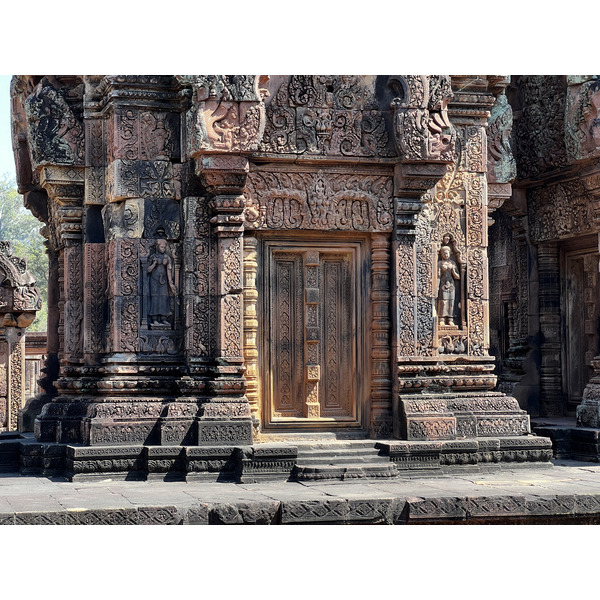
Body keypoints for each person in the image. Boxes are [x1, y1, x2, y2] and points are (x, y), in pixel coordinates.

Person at [147, 239, 176, 326]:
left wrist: (171, 283)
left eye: (164, 247)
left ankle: (163, 318)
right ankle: (154, 318)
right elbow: (147, 270)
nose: (163, 249)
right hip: (154, 281)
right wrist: (154, 264)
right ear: (158, 247)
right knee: (155, 298)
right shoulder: (153, 257)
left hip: (164, 281)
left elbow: (169, 271)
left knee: (164, 298)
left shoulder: (167, 257)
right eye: (161, 247)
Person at [438, 245, 460, 326]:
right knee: (443, 301)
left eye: (447, 253)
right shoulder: (440, 263)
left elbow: (458, 277)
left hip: (451, 285)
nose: (445, 255)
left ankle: (450, 318)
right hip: (443, 284)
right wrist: (441, 270)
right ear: (442, 254)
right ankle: (442, 318)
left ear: (450, 254)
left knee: (451, 301)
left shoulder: (453, 263)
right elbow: (437, 276)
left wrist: (453, 270)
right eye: (444, 254)